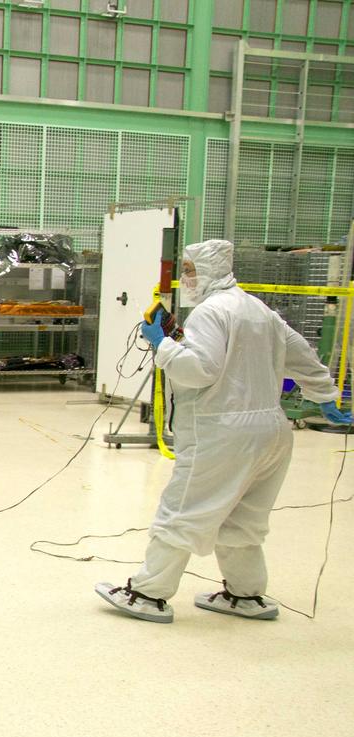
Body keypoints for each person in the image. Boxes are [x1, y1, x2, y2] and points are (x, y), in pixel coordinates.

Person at [97, 239, 352, 623]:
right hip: (272, 432)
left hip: (223, 431)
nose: (186, 277)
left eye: (190, 269)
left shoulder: (211, 312)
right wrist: (325, 395)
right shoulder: (260, 311)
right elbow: (301, 354)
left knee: (183, 511)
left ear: (210, 269)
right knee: (243, 519)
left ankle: (148, 594)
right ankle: (245, 595)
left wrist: (162, 345)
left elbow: (200, 370)